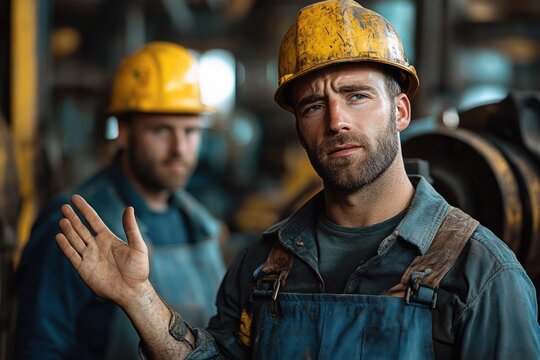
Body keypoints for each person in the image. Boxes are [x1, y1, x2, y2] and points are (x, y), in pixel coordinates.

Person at [54, 1, 540, 359]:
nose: (336, 121)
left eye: (357, 96)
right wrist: (138, 297)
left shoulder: (482, 277)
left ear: (401, 110)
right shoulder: (262, 268)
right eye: (313, 105)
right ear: (298, 127)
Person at [14, 42, 226, 359]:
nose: (180, 148)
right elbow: (39, 347)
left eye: (191, 131)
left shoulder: (202, 227)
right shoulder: (76, 225)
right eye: (162, 130)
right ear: (124, 132)